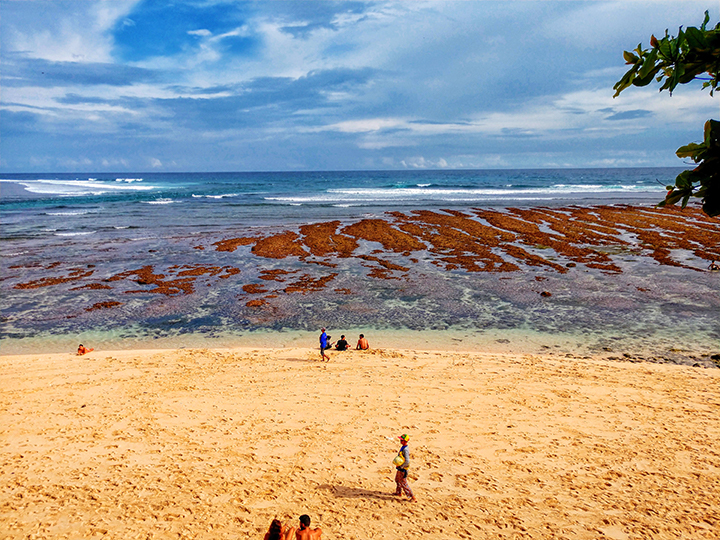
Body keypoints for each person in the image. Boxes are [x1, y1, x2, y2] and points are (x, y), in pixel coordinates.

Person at [394, 434, 416, 502]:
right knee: (397, 480)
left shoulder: (405, 449)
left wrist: (401, 466)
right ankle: (398, 492)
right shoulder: (403, 447)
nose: (400, 441)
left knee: (404, 483)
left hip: (403, 469)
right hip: (400, 468)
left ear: (404, 441)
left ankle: (412, 497)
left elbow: (407, 461)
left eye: (401, 440)